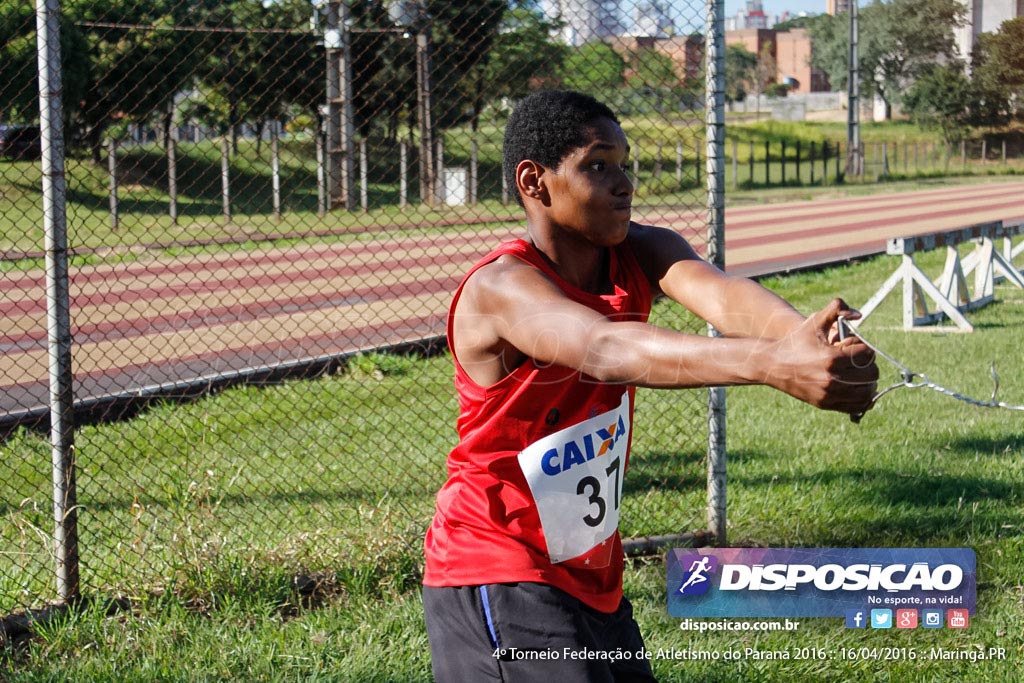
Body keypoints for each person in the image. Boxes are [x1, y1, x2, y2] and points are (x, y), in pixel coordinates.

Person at [422, 90, 878, 682]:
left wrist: (808, 344)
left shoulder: (642, 251)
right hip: (499, 565)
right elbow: (605, 349)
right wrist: (772, 365)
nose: (624, 182)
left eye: (625, 163)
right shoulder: (502, 288)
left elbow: (722, 293)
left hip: (591, 575)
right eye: (597, 165)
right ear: (534, 182)